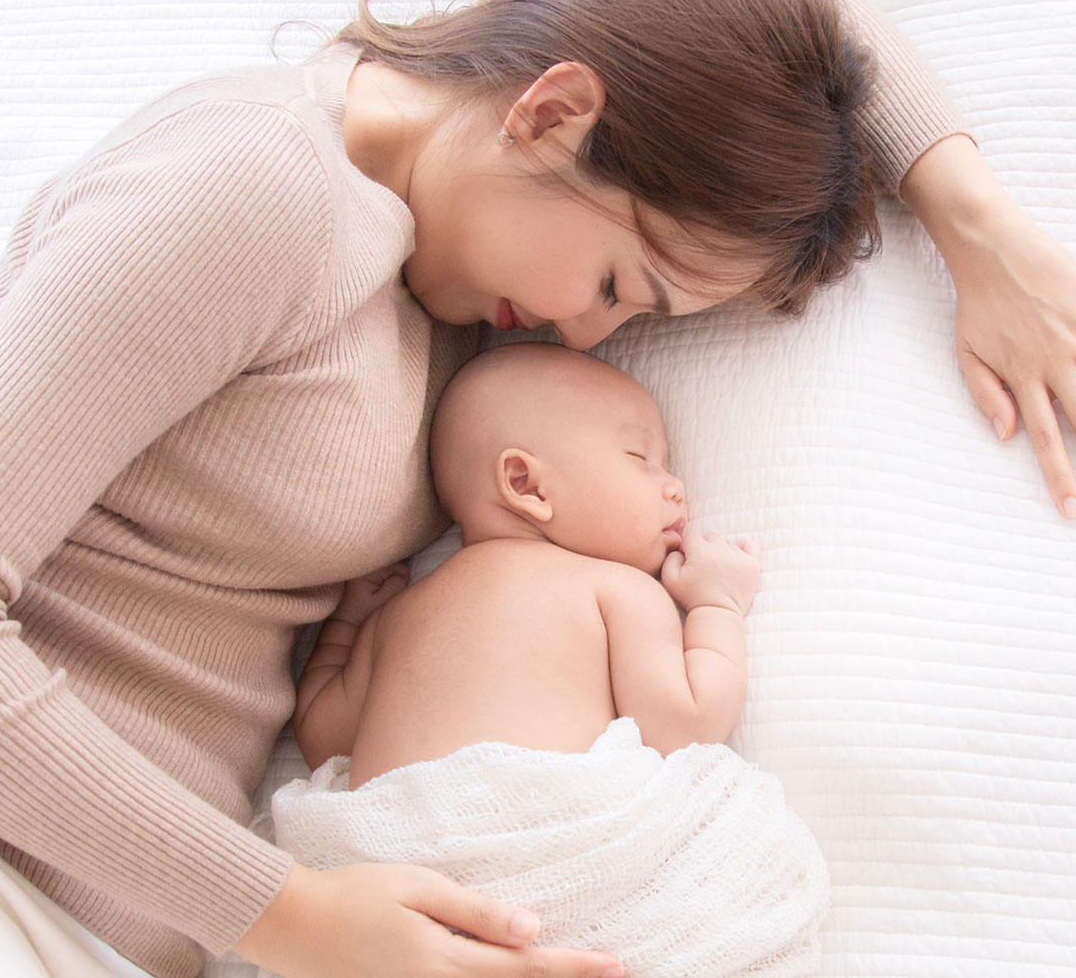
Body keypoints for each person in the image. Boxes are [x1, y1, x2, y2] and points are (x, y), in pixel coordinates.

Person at [0, 0, 1076, 978]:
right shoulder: (255, 185)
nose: (587, 333)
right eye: (624, 284)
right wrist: (293, 916)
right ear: (551, 111)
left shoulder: (457, 277)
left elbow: (810, 17)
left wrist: (971, 219)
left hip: (109, 924)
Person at [273, 342, 828, 978]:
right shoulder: (612, 589)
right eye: (640, 459)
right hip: (550, 872)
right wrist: (718, 604)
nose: (675, 487)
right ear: (527, 485)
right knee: (753, 866)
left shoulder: (400, 616)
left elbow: (320, 736)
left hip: (401, 894)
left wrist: (345, 623)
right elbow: (688, 724)